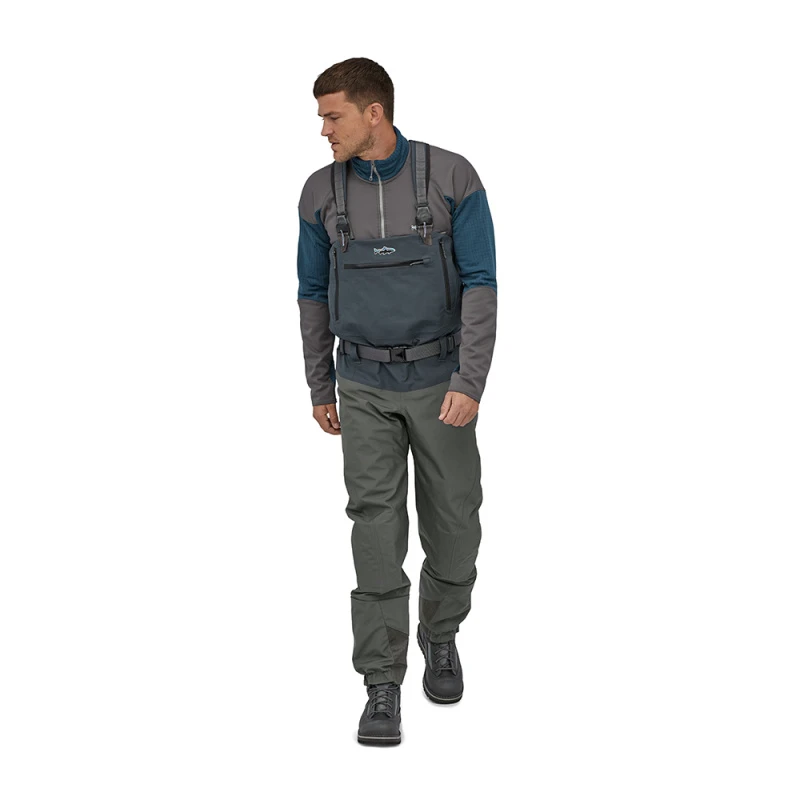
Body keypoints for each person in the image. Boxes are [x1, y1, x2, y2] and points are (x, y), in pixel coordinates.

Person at [296, 57, 497, 746]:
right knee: (375, 532)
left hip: (442, 384)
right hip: (362, 385)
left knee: (456, 523)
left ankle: (440, 633)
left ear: (372, 112)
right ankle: (381, 679)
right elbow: (311, 292)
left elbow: (481, 281)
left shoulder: (452, 177)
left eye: (333, 116)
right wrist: (319, 384)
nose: (324, 130)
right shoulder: (319, 192)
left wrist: (470, 380)